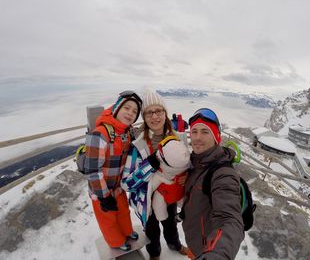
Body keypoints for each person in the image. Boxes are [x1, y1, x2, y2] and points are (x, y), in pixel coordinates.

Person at [121, 91, 188, 260]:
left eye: (159, 111)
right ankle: (154, 253)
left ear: (165, 113)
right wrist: (148, 166)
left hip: (170, 193)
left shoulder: (179, 138)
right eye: (149, 112)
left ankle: (175, 245)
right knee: (151, 229)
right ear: (144, 117)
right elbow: (126, 184)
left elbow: (187, 163)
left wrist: (186, 176)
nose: (155, 116)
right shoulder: (138, 145)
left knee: (170, 223)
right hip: (146, 200)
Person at [181, 108, 244, 259]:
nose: (197, 137)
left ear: (216, 136)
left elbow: (229, 219)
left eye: (205, 132)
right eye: (194, 131)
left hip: (207, 249)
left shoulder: (223, 174)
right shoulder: (196, 163)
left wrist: (216, 255)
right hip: (194, 242)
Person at [84, 91, 142, 250]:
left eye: (135, 111)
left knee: (123, 211)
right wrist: (103, 196)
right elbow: (92, 170)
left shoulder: (126, 131)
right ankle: (116, 242)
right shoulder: (100, 134)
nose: (130, 113)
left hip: (117, 187)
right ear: (116, 108)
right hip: (101, 191)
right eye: (127, 108)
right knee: (108, 218)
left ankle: (126, 231)